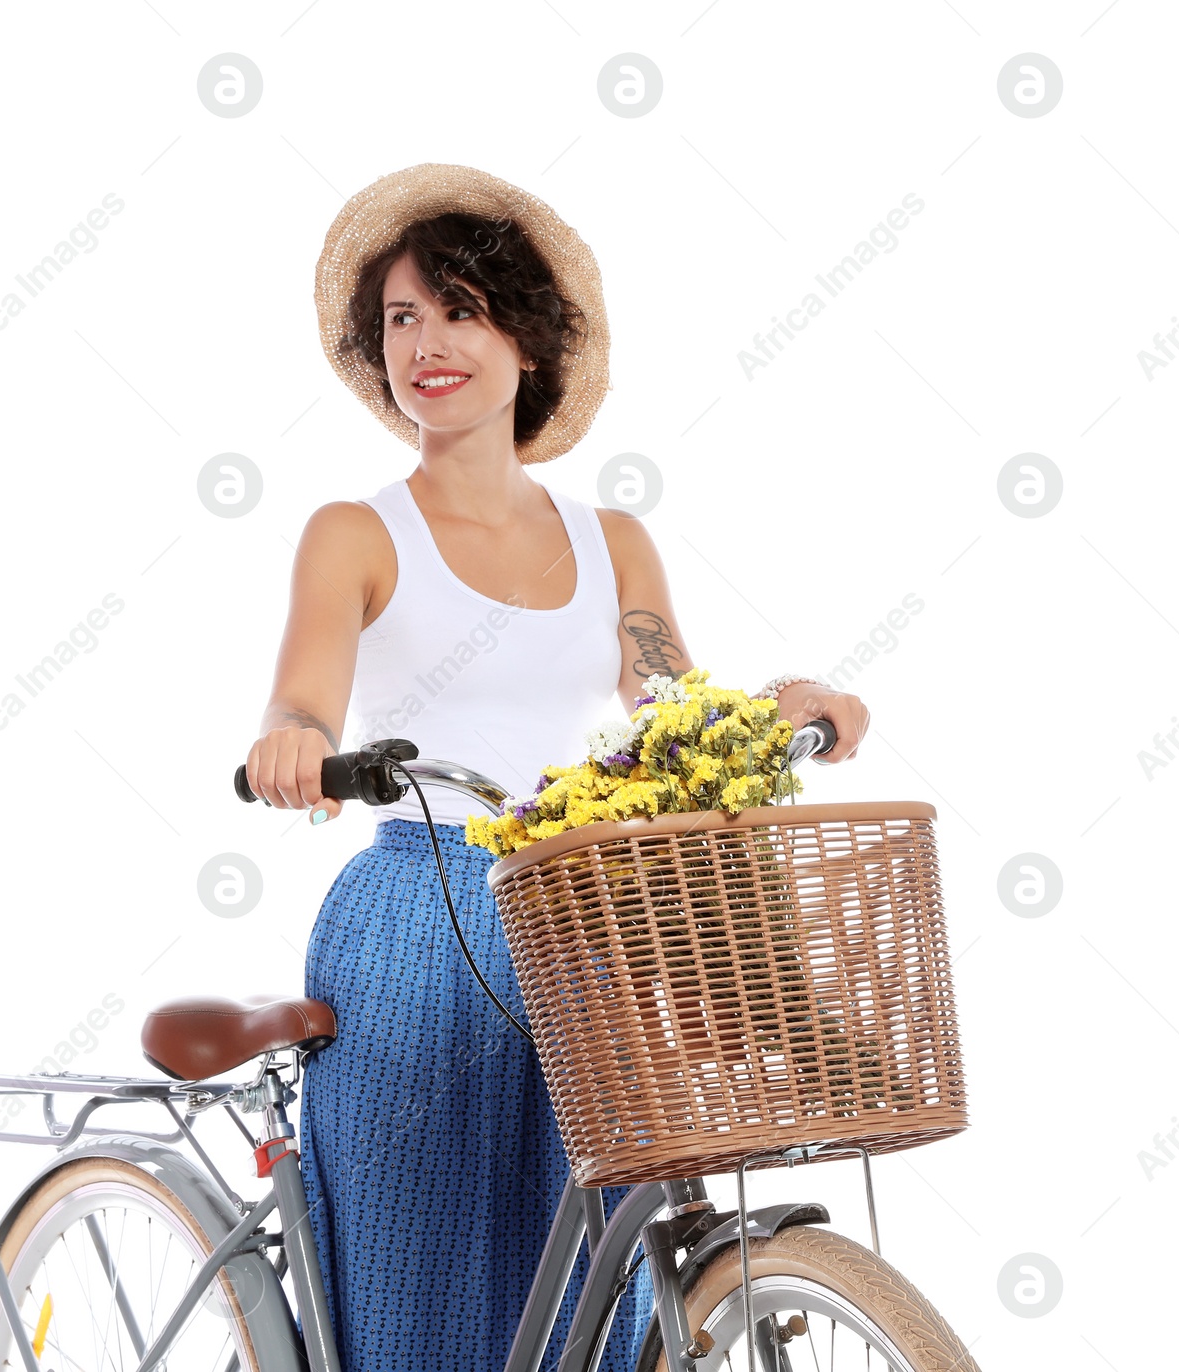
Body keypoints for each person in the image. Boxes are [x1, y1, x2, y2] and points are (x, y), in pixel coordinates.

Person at [241, 163, 870, 1371]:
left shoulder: (610, 541)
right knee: (418, 1253)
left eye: (459, 307)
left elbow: (671, 706)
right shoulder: (358, 532)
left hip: (578, 906)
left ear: (525, 339)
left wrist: (777, 703)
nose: (426, 342)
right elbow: (305, 690)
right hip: (422, 894)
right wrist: (298, 741)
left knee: (601, 1242)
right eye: (400, 319)